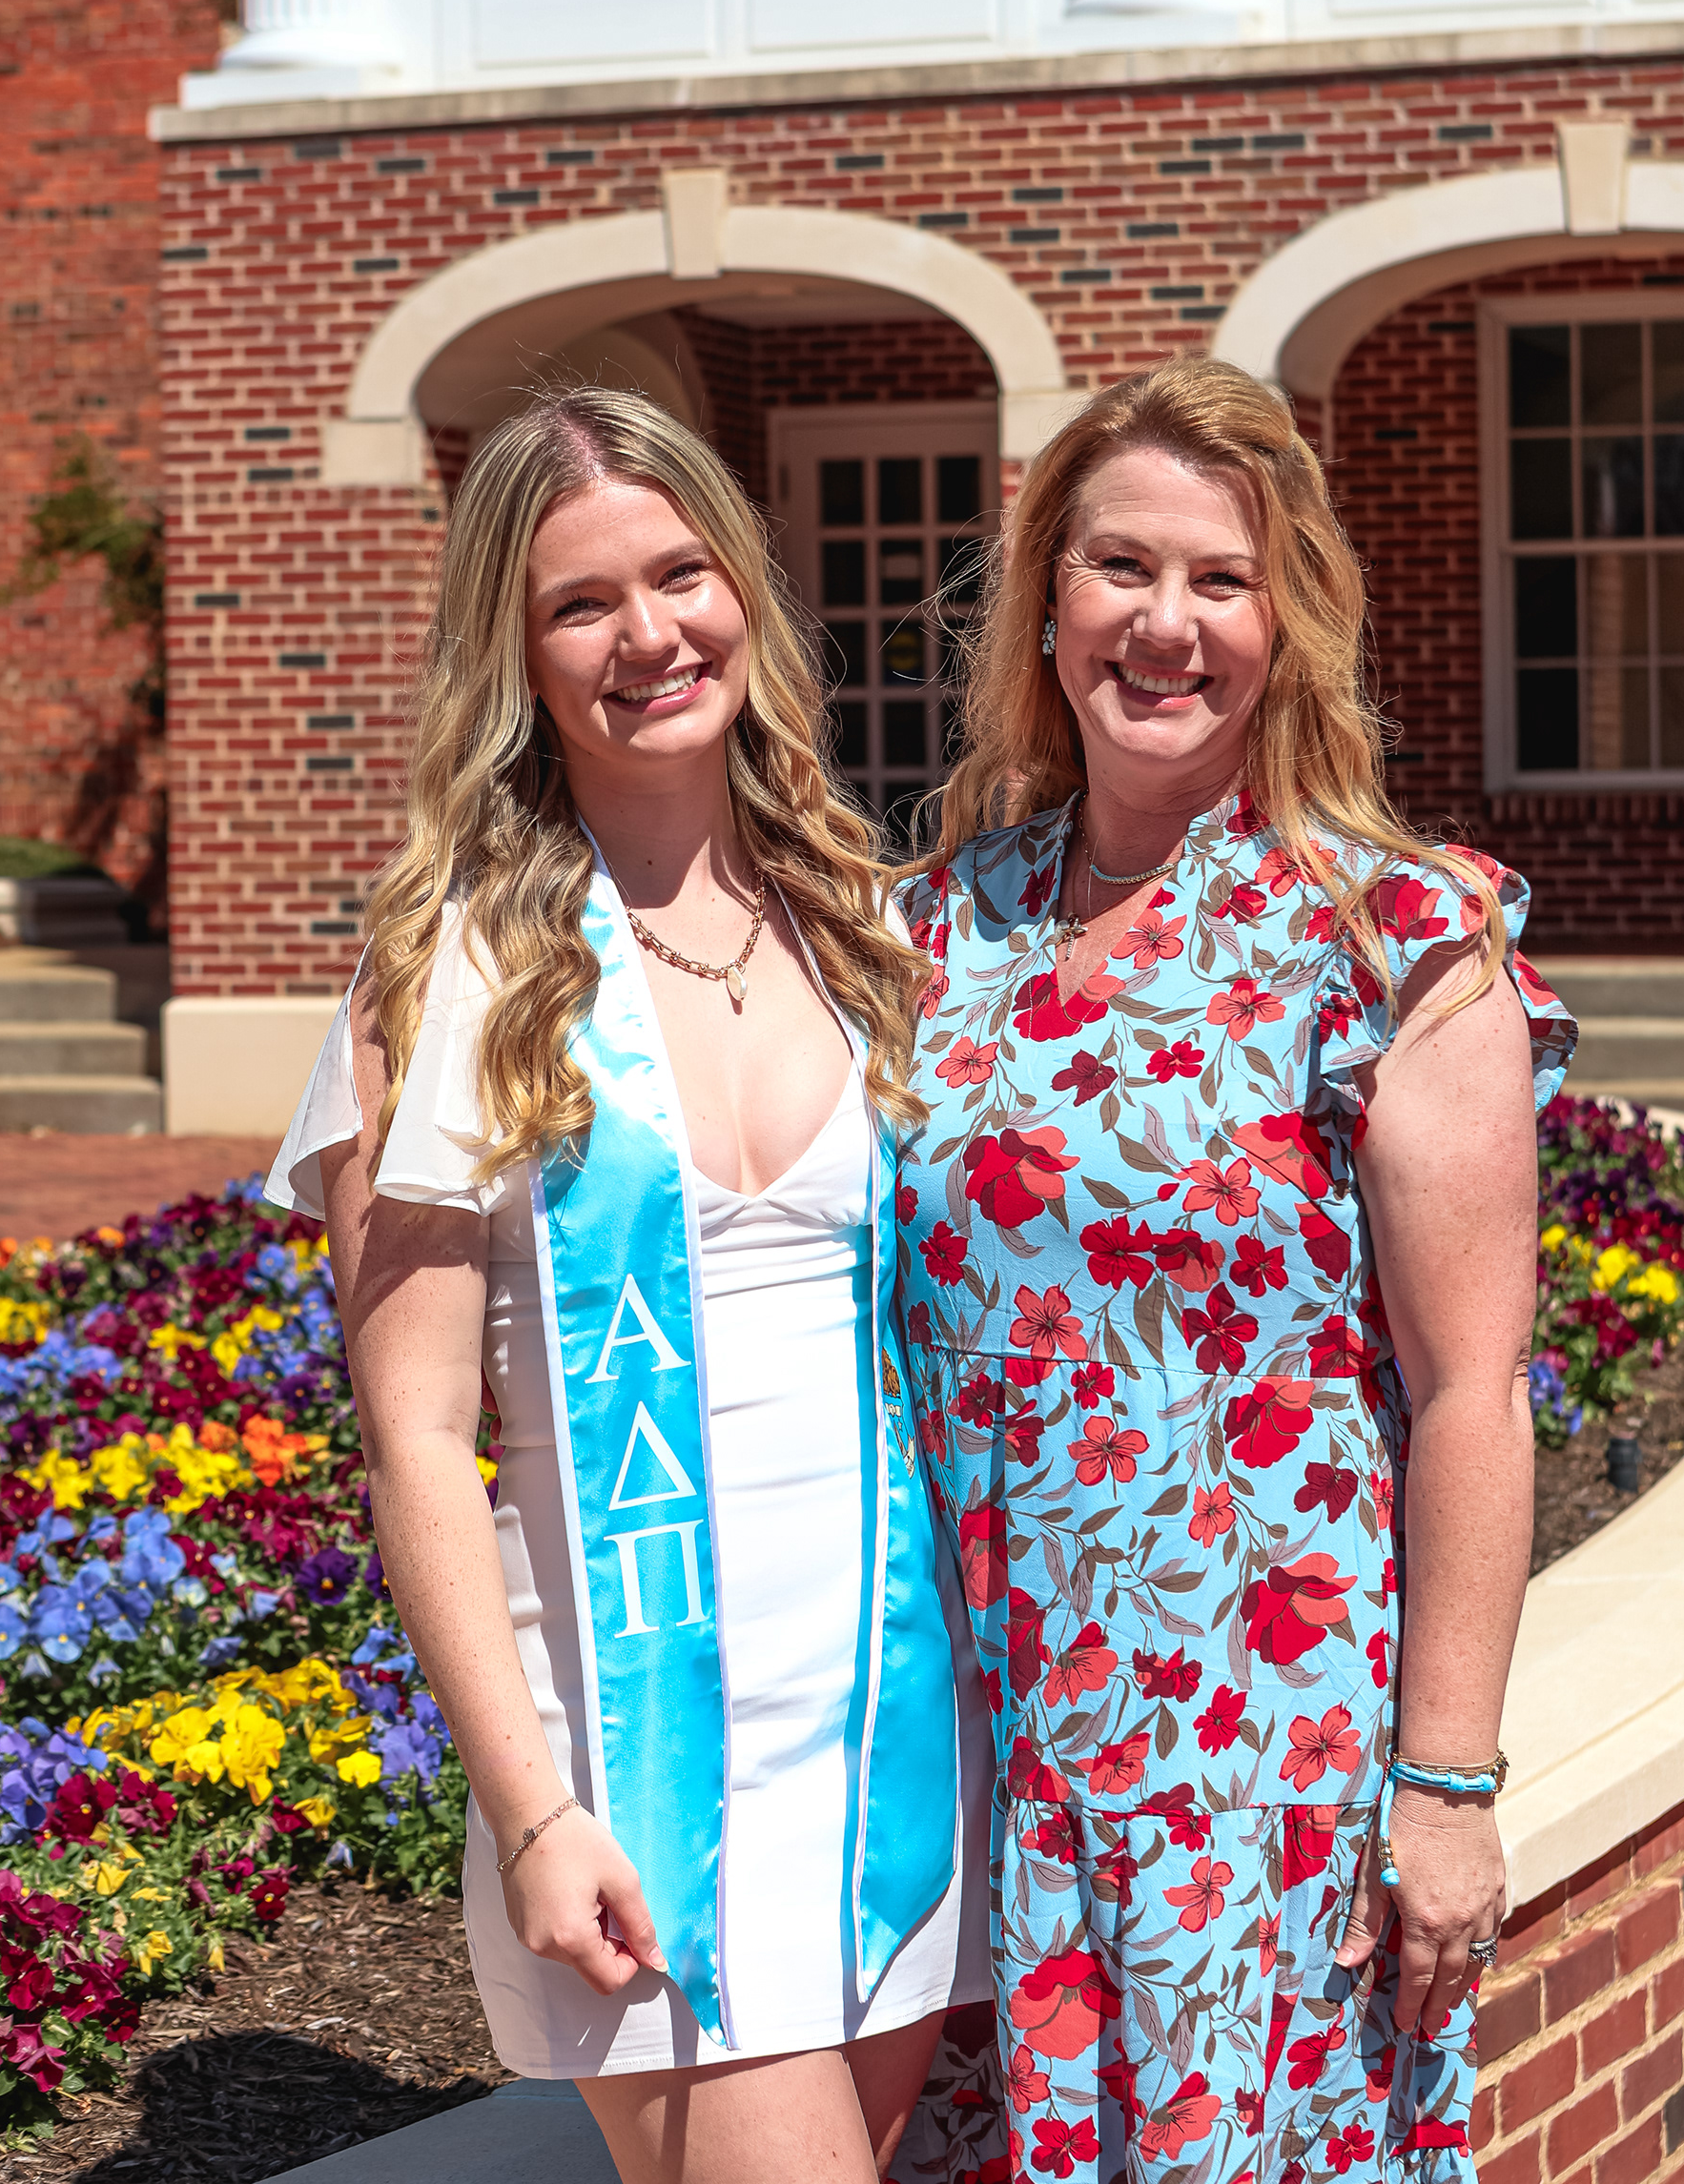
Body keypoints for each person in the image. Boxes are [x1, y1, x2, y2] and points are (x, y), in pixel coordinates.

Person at [264, 388, 993, 2184]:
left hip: (897, 1744)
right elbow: (417, 1439)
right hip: (638, 1769)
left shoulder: (863, 925)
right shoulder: (458, 974)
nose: (650, 635)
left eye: (680, 575)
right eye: (581, 604)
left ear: (744, 585)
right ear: (513, 657)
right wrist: (532, 1814)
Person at [893, 357, 1575, 2184]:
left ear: (1291, 624)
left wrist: (1446, 1784)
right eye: (1121, 567)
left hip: (1252, 1763)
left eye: (1224, 579)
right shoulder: (933, 924)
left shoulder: (1393, 931)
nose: (1166, 626)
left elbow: (1473, 1388)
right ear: (1048, 601)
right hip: (965, 1757)